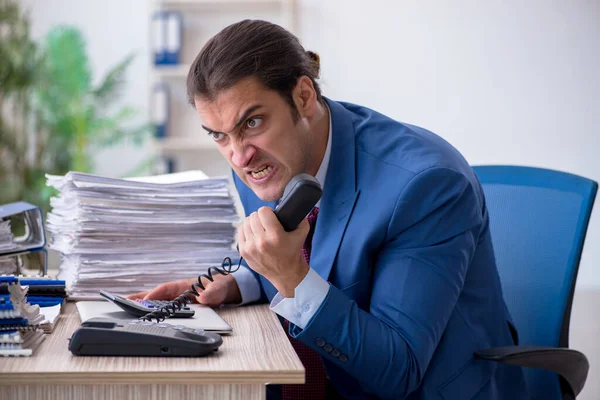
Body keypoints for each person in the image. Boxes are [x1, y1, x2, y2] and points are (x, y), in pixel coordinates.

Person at [128, 19, 529, 400]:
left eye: (252, 122)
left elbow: (398, 371)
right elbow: (301, 249)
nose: (239, 156)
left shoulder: (424, 185)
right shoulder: (261, 161)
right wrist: (238, 282)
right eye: (220, 135)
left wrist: (290, 276)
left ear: (303, 96)